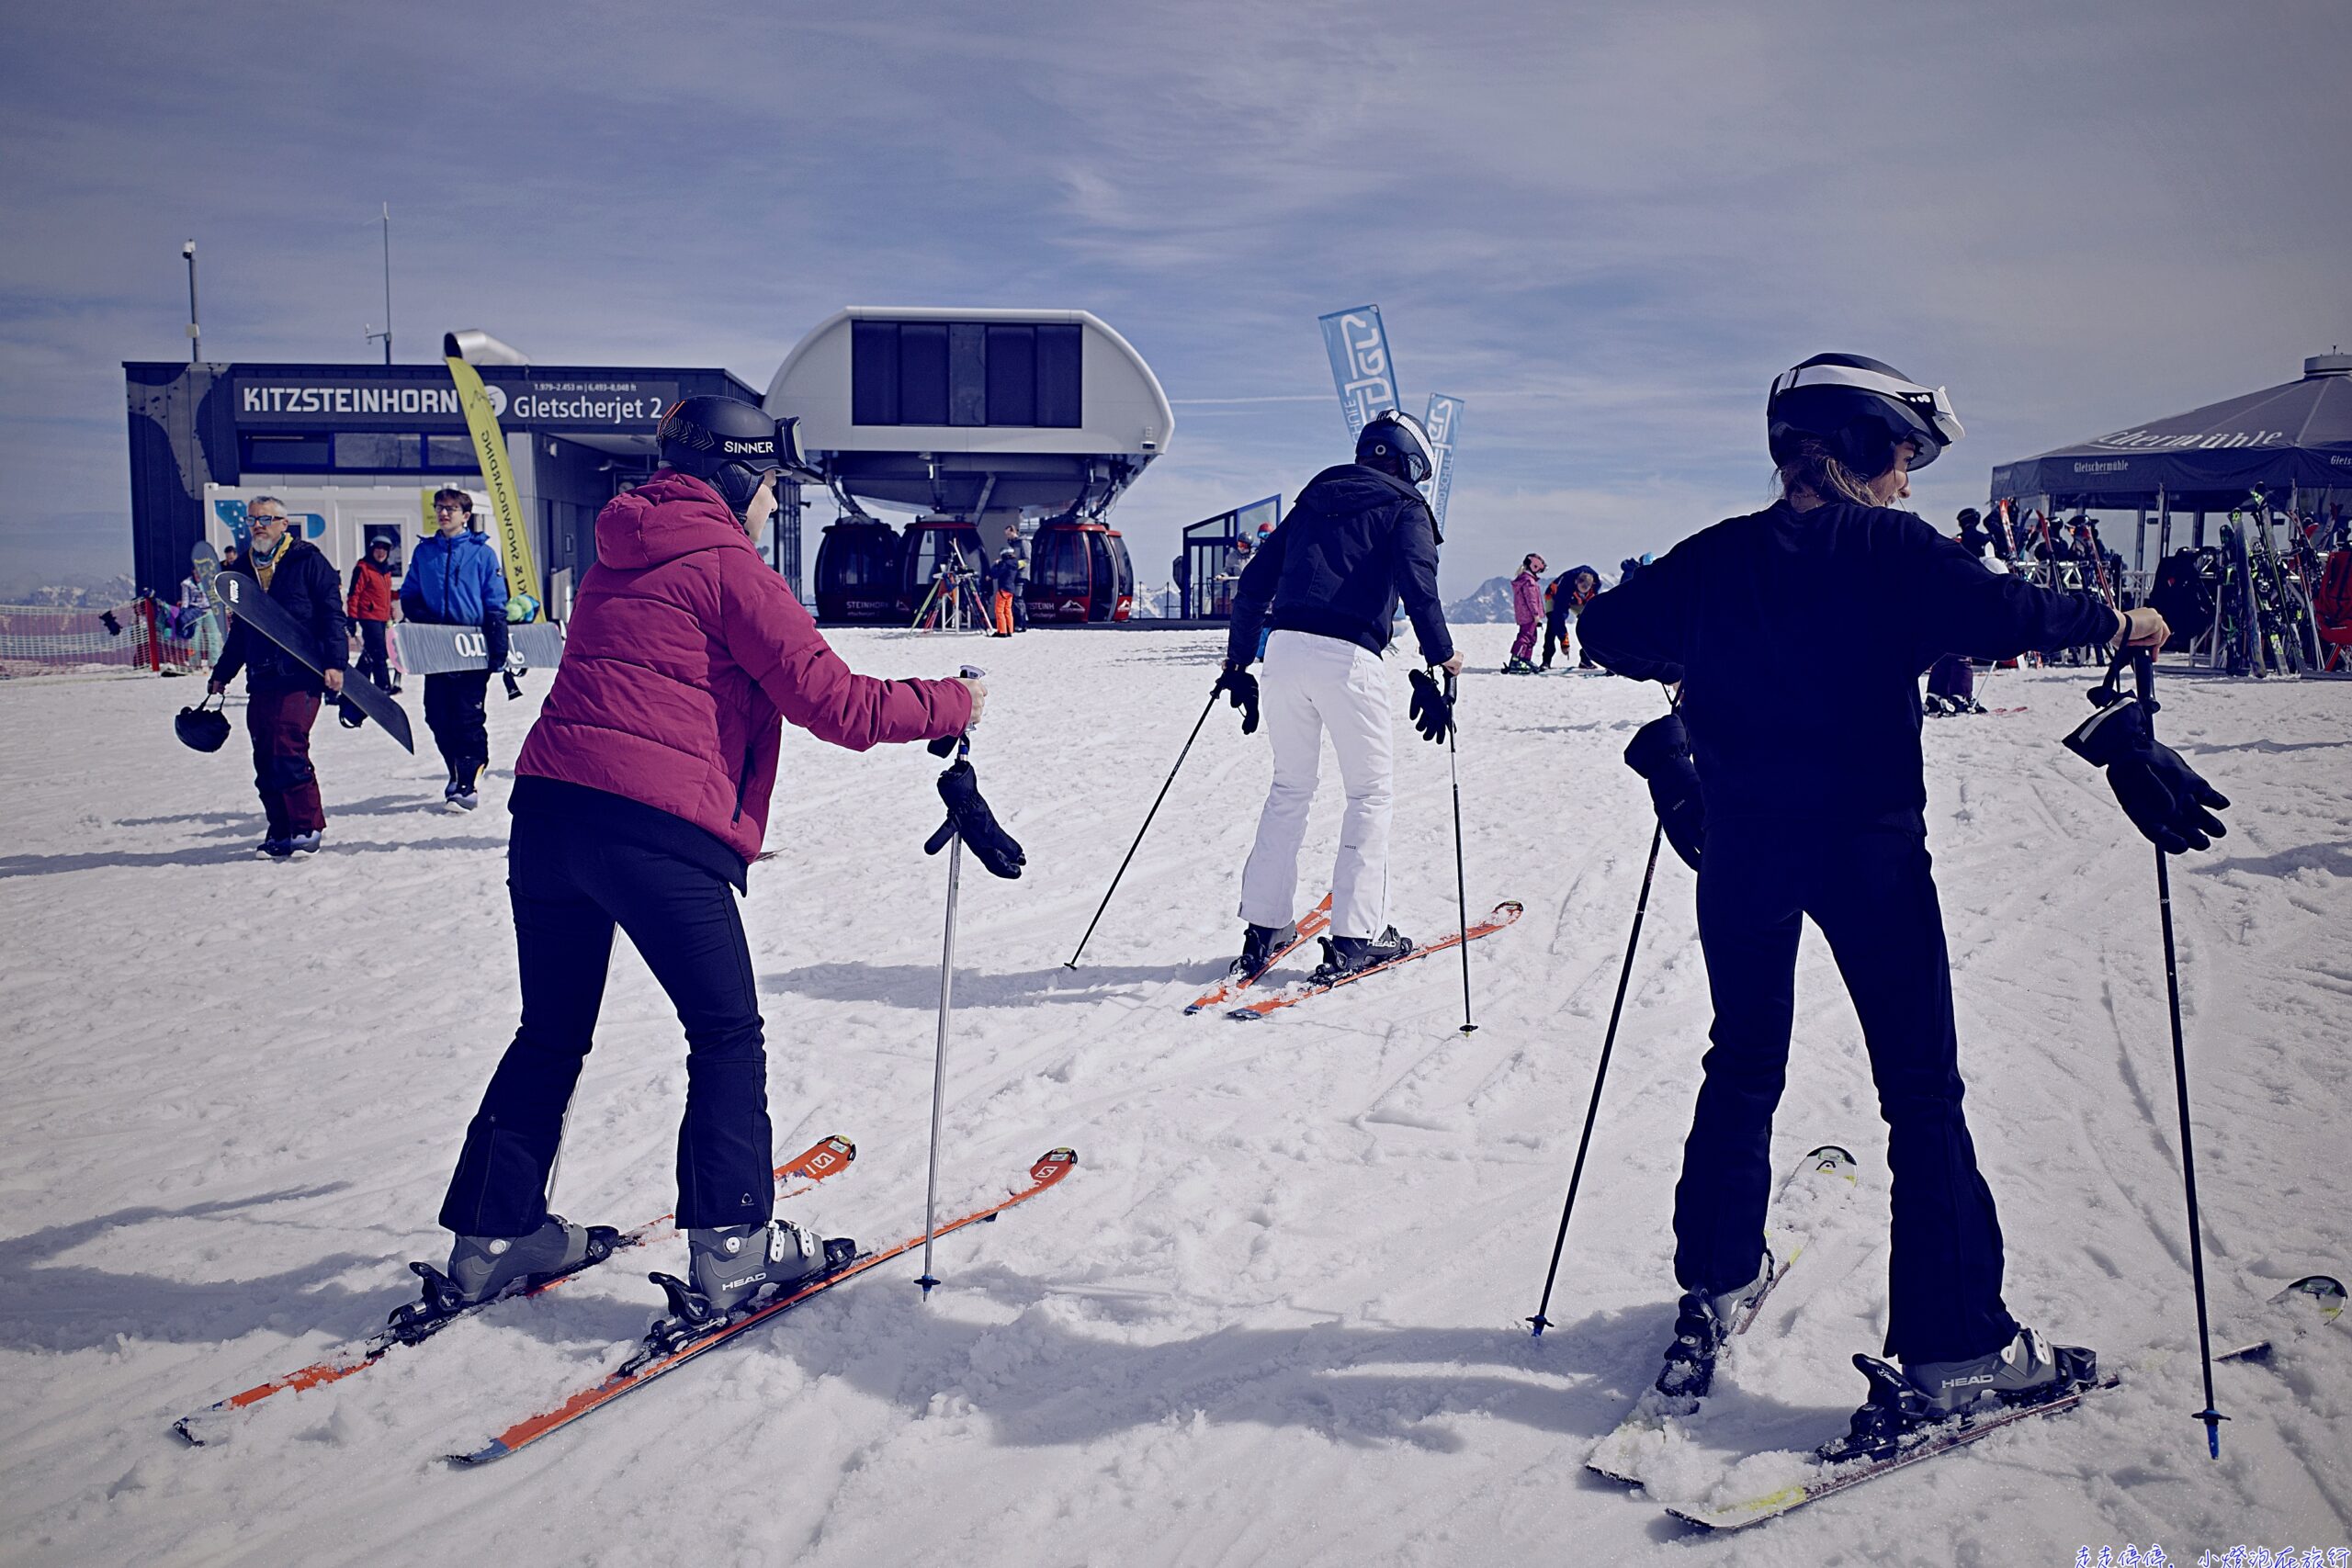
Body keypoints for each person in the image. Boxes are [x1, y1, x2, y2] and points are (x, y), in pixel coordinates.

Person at [1577, 352, 2214, 1445]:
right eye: (1905, 457)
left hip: (1741, 855)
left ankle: (1715, 1282)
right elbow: (2017, 613)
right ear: (1864, 445)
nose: (1910, 481)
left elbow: (1606, 634)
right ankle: (1959, 1346)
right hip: (1867, 854)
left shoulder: (1711, 558)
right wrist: (2134, 627)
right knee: (1919, 1090)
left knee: (1740, 1061)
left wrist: (1693, 669)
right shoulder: (1888, 548)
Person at [428, 396, 992, 1325]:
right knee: (726, 1034)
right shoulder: (731, 565)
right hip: (653, 831)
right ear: (737, 479)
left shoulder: (617, 552)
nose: (775, 505)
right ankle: (732, 1247)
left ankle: (493, 1237)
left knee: (549, 1031)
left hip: (550, 814)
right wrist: (954, 703)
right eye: (771, 486)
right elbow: (836, 705)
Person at [1213, 408, 1461, 984]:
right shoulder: (1406, 506)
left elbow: (1253, 585)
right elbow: (1419, 587)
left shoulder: (1312, 500)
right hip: (1349, 659)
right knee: (1370, 794)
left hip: (1284, 654)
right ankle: (1357, 938)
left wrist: (1239, 660)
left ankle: (1265, 927)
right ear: (1408, 462)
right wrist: (1442, 656)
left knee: (1289, 788)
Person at [206, 497, 346, 859]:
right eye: (253, 519)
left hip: (301, 674)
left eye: (266, 518)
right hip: (262, 675)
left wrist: (336, 663)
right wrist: (223, 673)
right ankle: (280, 829)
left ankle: (306, 826)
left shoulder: (308, 561)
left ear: (285, 524)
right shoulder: (244, 569)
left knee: (288, 748)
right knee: (265, 756)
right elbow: (241, 631)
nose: (258, 525)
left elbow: (332, 614)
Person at [400, 490, 509, 808]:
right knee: (436, 715)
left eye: (451, 508)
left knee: (467, 717)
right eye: (440, 508)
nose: (444, 513)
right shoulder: (425, 552)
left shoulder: (482, 553)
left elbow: (494, 599)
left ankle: (468, 780)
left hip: (473, 645)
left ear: (465, 515)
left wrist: (497, 643)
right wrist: (423, 620)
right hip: (437, 646)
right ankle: (455, 769)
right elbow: (410, 593)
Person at [345, 537, 399, 702]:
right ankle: (383, 686)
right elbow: (354, 594)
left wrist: (391, 608)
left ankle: (354, 684)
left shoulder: (384, 570)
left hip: (381, 617)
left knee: (370, 653)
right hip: (368, 617)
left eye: (384, 550)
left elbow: (385, 594)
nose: (381, 553)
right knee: (380, 652)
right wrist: (352, 618)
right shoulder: (363, 568)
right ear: (371, 550)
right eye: (378, 549)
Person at [1540, 564, 1599, 671]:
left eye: (1585, 591)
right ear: (1576, 582)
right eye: (1580, 590)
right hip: (1555, 597)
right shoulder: (1566, 584)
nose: (1582, 592)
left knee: (1593, 624)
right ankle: (1546, 660)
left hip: (1578, 601)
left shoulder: (1596, 583)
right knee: (1553, 624)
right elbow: (1559, 614)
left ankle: (1585, 658)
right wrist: (1564, 640)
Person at [1505, 553, 1546, 673]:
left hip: (1526, 614)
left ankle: (1525, 659)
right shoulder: (1529, 582)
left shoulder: (1526, 579)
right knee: (1525, 637)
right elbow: (1531, 599)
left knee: (1531, 637)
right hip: (1529, 615)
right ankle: (1516, 660)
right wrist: (1536, 614)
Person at [178, 565, 222, 674]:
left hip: (209, 610)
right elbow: (185, 599)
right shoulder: (187, 583)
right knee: (194, 638)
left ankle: (214, 662)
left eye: (199, 573)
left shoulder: (209, 581)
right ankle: (194, 662)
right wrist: (184, 612)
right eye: (196, 573)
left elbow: (214, 595)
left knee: (212, 636)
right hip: (195, 611)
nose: (198, 575)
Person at [990, 545, 1020, 637]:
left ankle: (1002, 631)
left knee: (999, 610)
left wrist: (995, 565)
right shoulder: (1015, 564)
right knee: (1008, 610)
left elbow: (996, 574)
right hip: (1011, 589)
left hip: (1003, 589)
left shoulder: (1004, 564)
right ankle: (1010, 630)